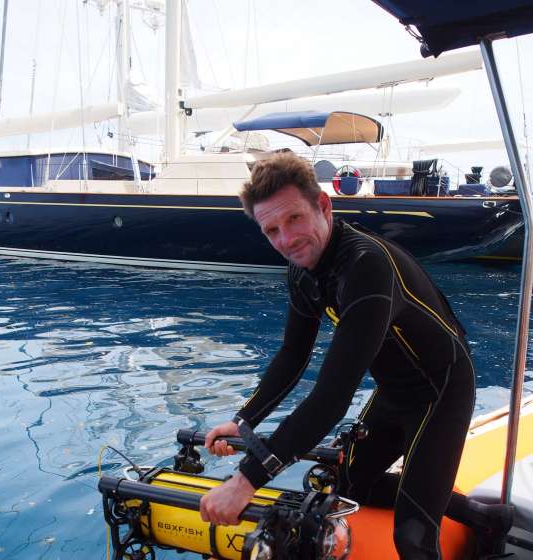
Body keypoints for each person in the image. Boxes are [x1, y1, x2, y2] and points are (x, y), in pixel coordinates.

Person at [199, 153, 512, 559]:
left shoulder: (367, 265)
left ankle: (451, 514)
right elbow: (293, 356)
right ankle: (486, 519)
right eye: (271, 229)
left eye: (294, 219)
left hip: (442, 391)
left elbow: (331, 399)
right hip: (394, 392)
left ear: (324, 206)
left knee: (413, 539)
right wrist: (244, 422)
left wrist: (245, 481)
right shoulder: (302, 269)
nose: (286, 239)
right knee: (349, 488)